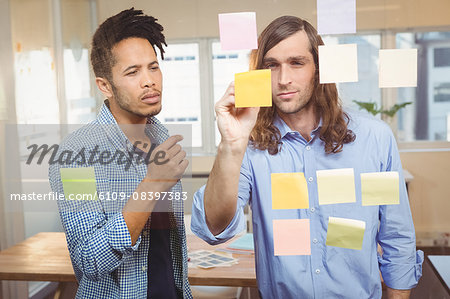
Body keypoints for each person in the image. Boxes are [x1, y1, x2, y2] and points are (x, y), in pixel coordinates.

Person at [191, 15, 423, 298]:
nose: (283, 79)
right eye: (271, 65)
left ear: (319, 69)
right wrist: (230, 144)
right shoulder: (250, 149)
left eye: (296, 63)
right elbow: (214, 229)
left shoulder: (374, 140)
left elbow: (396, 236)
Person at [49, 8, 192, 298]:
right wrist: (151, 184)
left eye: (153, 67)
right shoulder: (76, 155)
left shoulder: (161, 138)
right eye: (132, 71)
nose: (149, 80)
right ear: (105, 86)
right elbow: (88, 259)